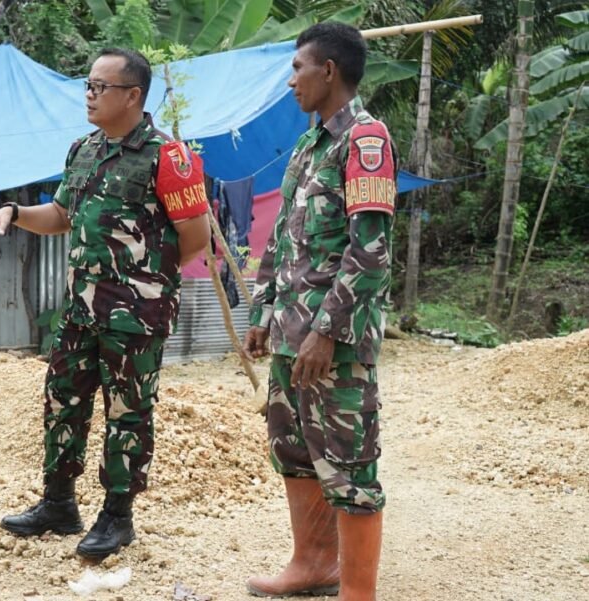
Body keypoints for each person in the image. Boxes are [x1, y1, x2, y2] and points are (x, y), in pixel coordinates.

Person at [0, 47, 211, 560]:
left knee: (128, 413)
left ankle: (117, 516)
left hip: (135, 316)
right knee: (62, 403)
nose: (90, 96)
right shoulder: (83, 150)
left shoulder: (170, 158)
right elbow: (61, 214)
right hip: (79, 309)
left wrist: (145, 285)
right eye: (88, 86)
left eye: (101, 87)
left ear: (133, 95)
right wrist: (13, 211)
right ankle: (58, 503)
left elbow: (196, 237)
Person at [243, 23, 396, 601]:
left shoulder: (366, 140)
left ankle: (358, 590)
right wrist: (262, 312)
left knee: (348, 464)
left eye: (297, 69)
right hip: (288, 334)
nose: (291, 81)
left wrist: (328, 331)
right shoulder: (310, 146)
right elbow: (281, 240)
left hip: (334, 338)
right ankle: (312, 565)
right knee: (294, 449)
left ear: (327, 71)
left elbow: (371, 249)